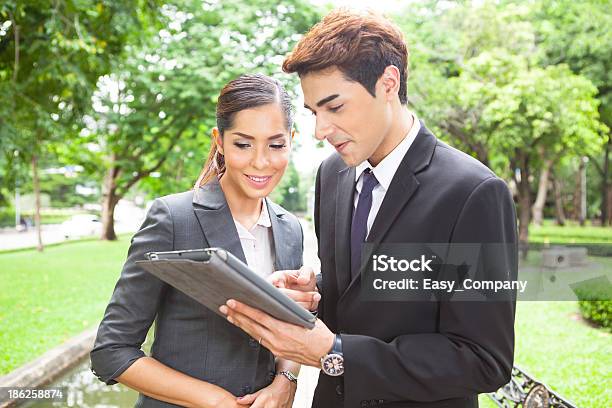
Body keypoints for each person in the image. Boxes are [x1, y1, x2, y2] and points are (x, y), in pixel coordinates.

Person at [221, 10, 518, 408]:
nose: (320, 131)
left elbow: (484, 360)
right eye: (313, 112)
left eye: (334, 107)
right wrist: (315, 293)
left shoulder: (473, 193)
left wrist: (336, 352)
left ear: (388, 84)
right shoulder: (332, 175)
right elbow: (361, 292)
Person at [90, 73, 304, 408]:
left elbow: (290, 326)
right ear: (219, 140)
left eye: (276, 144)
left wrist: (285, 380)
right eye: (243, 144)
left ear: (291, 139)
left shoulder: (290, 228)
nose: (261, 161)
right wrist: (215, 400)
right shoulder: (173, 219)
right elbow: (112, 352)